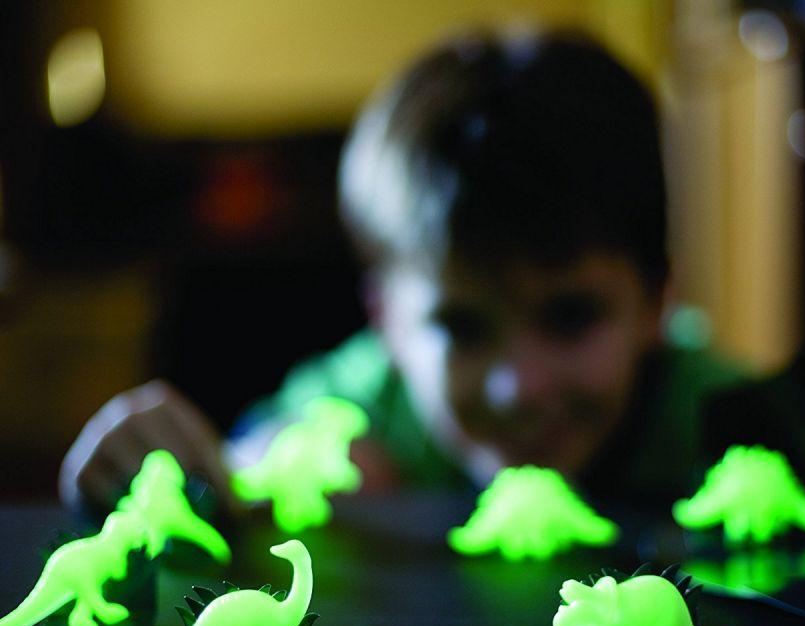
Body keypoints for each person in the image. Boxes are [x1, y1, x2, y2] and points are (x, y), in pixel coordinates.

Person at [60, 29, 744, 517]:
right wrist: (179, 475)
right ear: (386, 319)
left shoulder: (738, 420)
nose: (519, 386)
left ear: (658, 301)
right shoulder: (366, 414)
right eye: (461, 327)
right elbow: (256, 459)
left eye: (570, 318)